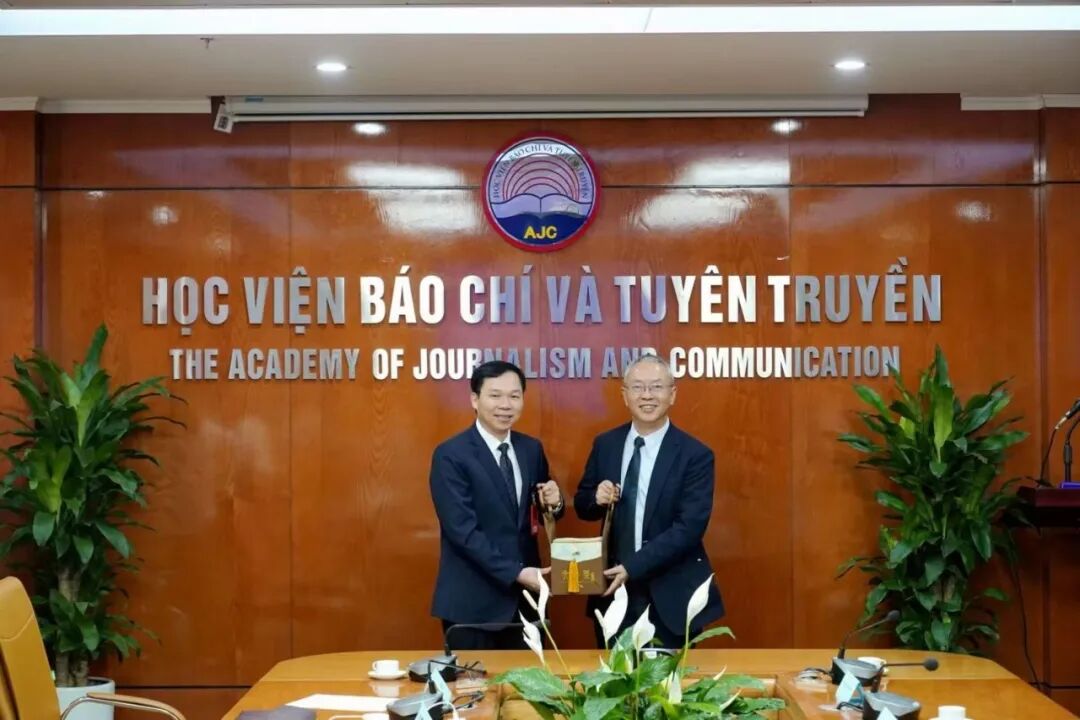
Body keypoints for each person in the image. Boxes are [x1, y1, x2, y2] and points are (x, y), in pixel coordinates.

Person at [574, 353, 723, 648]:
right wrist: (596, 497)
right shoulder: (606, 444)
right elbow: (582, 505)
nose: (647, 395)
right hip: (613, 593)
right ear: (625, 395)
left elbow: (689, 528)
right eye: (638, 387)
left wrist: (633, 566)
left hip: (671, 594)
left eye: (656, 387)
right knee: (612, 676)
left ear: (672, 394)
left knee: (671, 678)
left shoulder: (695, 454)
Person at [430, 360, 565, 650]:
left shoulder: (531, 449)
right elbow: (462, 531)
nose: (506, 405)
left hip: (527, 604)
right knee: (474, 680)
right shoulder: (451, 455)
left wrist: (555, 503)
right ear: (475, 399)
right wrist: (517, 573)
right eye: (495, 395)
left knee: (531, 680)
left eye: (514, 396)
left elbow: (540, 510)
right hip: (473, 604)